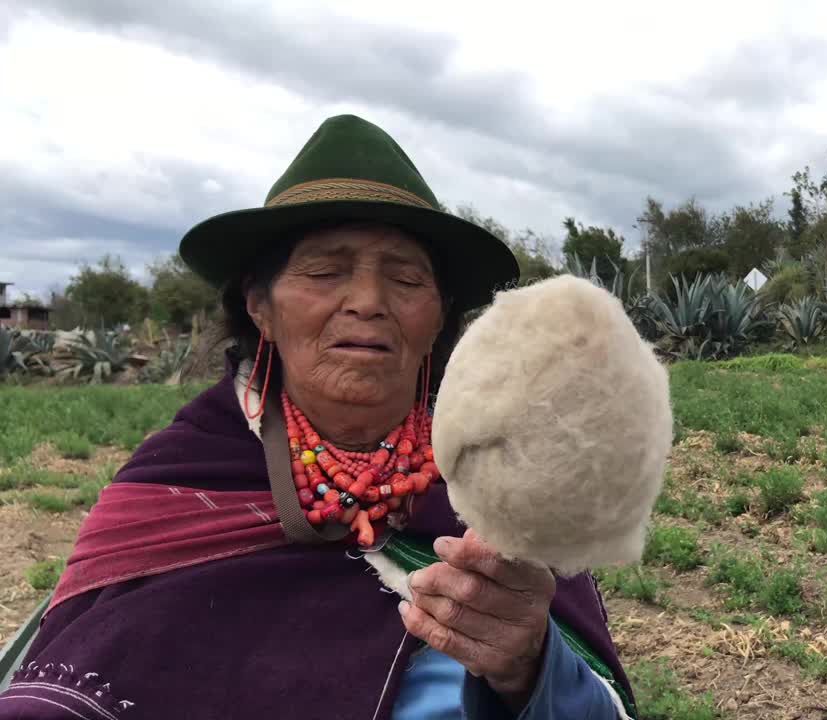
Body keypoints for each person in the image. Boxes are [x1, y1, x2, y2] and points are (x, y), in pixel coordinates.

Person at [0, 115, 635, 720]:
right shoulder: (180, 480)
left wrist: (528, 662)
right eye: (325, 271)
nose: (366, 302)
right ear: (259, 307)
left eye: (406, 280)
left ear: (439, 315)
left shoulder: (496, 480)